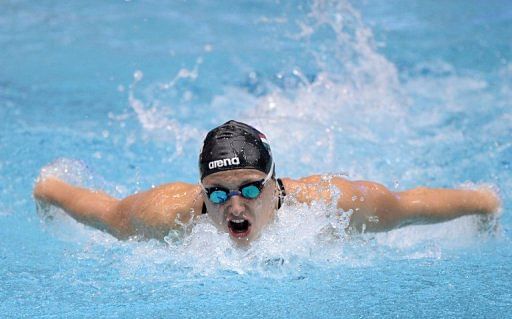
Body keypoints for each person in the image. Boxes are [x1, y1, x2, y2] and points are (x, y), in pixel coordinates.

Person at [33, 120, 500, 244]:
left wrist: (483, 203)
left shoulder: (335, 205)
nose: (235, 205)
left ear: (275, 186)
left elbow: (410, 205)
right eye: (218, 193)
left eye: (251, 188)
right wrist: (47, 190)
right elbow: (100, 210)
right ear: (202, 193)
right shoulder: (165, 216)